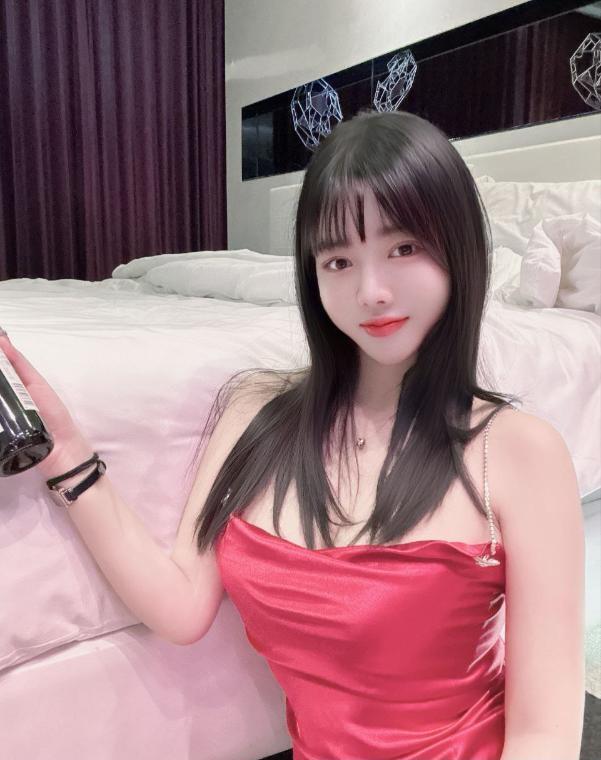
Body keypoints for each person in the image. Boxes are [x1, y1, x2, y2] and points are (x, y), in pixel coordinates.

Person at [0, 109, 585, 759]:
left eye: (403, 248)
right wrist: (68, 454)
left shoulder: (517, 452)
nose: (371, 291)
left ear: (460, 251)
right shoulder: (256, 408)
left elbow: (543, 736)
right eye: (338, 259)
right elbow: (181, 607)